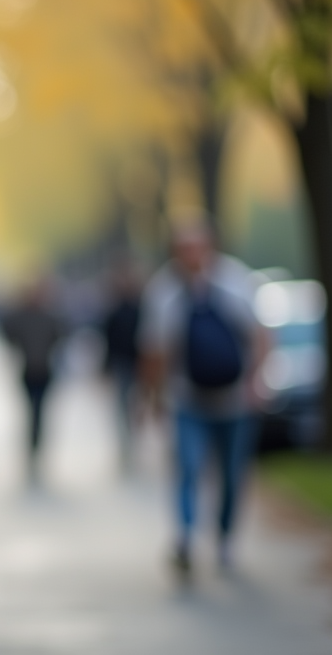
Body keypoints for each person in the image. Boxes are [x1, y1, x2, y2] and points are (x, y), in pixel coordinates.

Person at [140, 220, 267, 575]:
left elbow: (260, 335)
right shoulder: (163, 290)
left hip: (234, 399)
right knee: (188, 468)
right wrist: (153, 397)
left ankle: (225, 537)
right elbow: (155, 351)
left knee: (231, 474)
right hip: (187, 399)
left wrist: (255, 382)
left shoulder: (236, 281)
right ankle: (185, 537)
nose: (190, 255)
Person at [1, 279, 65, 478]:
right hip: (28, 369)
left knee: (40, 411)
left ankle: (37, 446)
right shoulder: (22, 317)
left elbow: (60, 334)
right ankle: (31, 446)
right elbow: (7, 330)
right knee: (31, 411)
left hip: (44, 370)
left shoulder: (48, 316)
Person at [102, 262, 142, 471]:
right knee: (123, 404)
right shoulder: (114, 309)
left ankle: (134, 439)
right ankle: (127, 442)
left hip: (138, 363)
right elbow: (108, 340)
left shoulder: (140, 308)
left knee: (135, 404)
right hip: (122, 363)